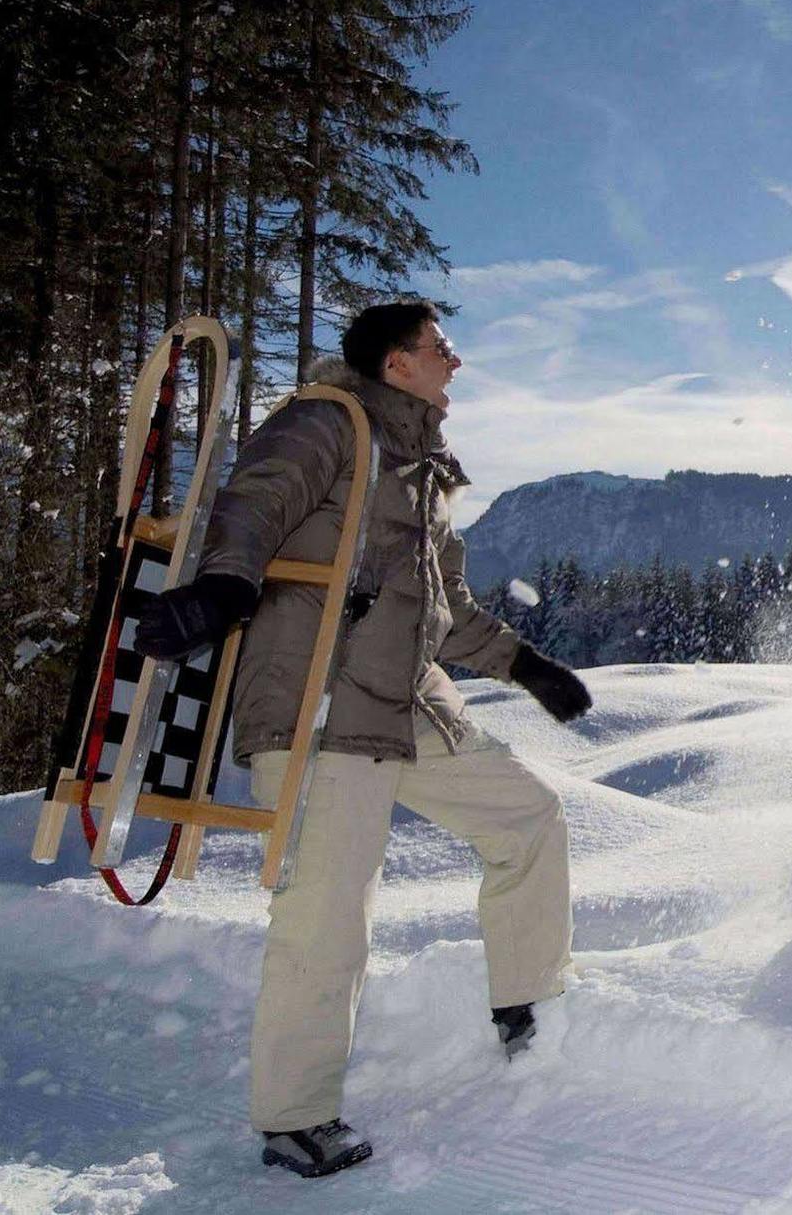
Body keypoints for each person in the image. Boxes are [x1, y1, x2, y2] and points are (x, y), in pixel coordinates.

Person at [132, 301, 593, 1179]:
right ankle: (294, 1117)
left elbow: (445, 609)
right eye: (439, 348)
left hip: (404, 696)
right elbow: (253, 504)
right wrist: (224, 589)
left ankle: (527, 1004)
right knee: (326, 910)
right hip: (317, 698)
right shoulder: (325, 424)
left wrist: (527, 667)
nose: (454, 360)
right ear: (395, 363)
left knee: (527, 813)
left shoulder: (421, 467)